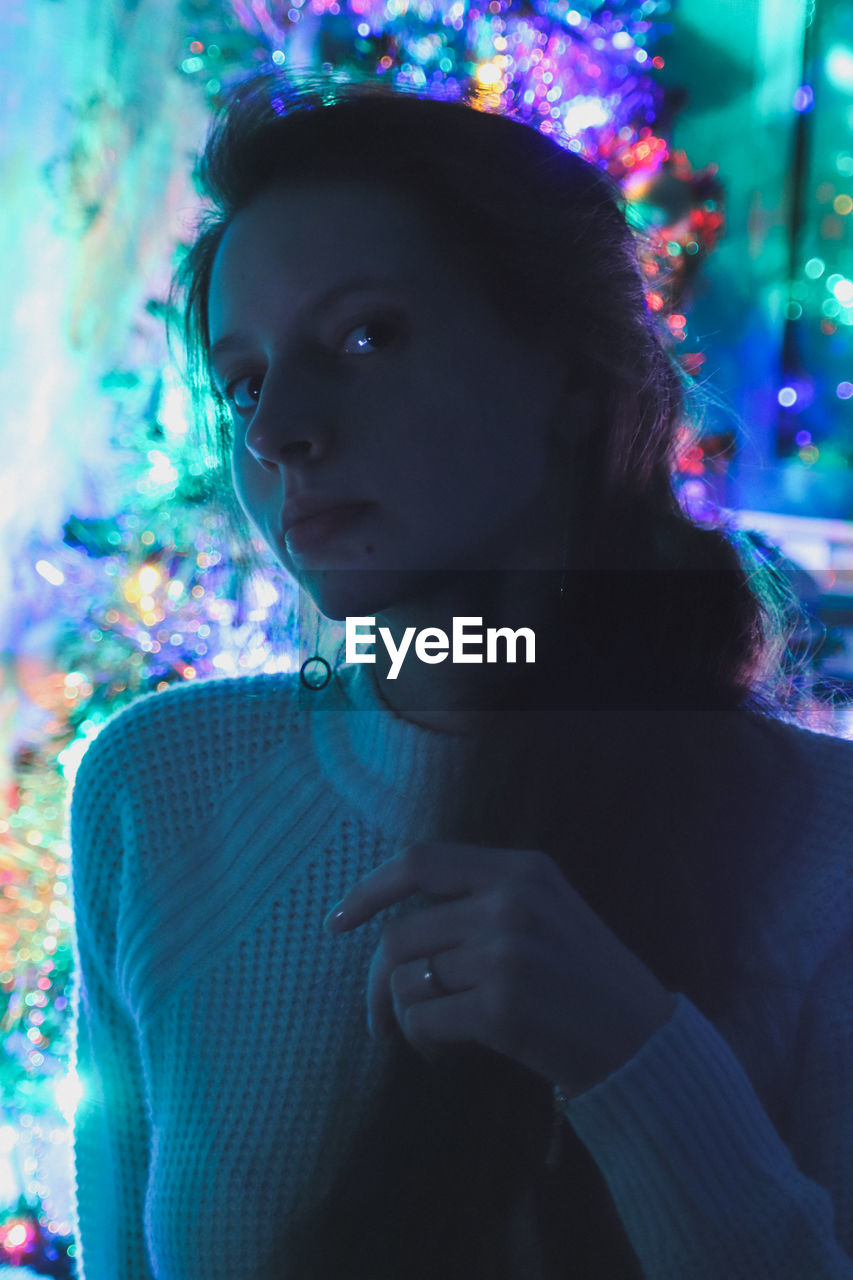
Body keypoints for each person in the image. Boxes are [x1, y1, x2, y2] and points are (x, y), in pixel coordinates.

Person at [68, 70, 853, 1279]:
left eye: (365, 335)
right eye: (244, 381)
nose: (278, 429)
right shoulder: (158, 783)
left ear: (564, 371)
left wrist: (633, 1056)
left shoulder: (824, 839)